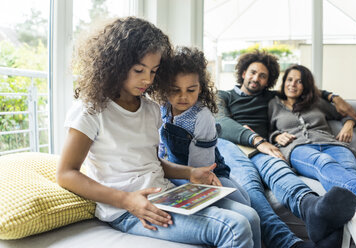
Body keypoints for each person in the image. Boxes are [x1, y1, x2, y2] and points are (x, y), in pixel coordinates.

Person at [56, 17, 257, 248]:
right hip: (129, 209)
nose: (147, 79)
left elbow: (152, 161)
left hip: (167, 196)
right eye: (139, 70)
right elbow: (66, 174)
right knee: (235, 226)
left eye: (154, 71)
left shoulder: (150, 109)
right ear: (115, 64)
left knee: (250, 216)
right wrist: (127, 201)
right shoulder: (91, 110)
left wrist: (190, 172)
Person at [216, 50, 356, 248]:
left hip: (262, 149)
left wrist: (332, 96)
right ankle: (288, 243)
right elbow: (221, 121)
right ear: (243, 73)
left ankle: (313, 210)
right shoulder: (223, 95)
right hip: (233, 146)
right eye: (252, 72)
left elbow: (302, 90)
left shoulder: (270, 98)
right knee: (250, 185)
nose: (256, 78)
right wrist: (258, 139)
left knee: (280, 170)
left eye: (262, 76)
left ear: (268, 81)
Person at [151, 46, 261, 248]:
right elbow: (159, 149)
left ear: (200, 88)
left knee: (247, 207)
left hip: (207, 172)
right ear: (165, 89)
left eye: (191, 90)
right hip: (179, 172)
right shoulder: (161, 108)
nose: (183, 96)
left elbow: (200, 172)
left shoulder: (201, 117)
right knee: (245, 212)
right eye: (175, 90)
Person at [268, 64, 356, 213]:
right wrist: (276, 136)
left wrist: (348, 125)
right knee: (323, 162)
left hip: (332, 144)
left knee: (351, 170)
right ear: (283, 82)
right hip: (298, 147)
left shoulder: (316, 102)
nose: (292, 84)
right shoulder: (273, 104)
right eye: (289, 80)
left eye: (299, 81)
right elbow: (267, 131)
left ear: (305, 85)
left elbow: (349, 114)